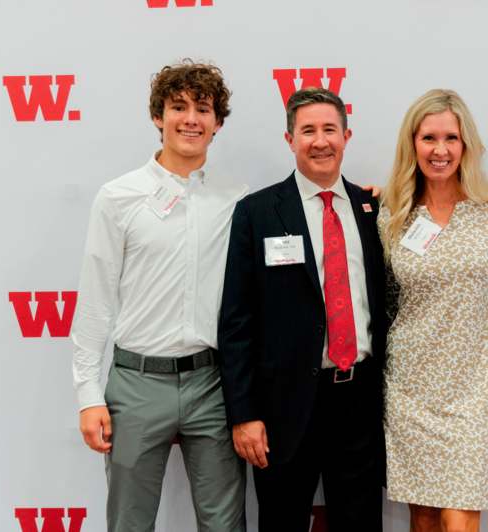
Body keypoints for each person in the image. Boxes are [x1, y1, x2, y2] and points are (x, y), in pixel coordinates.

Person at [71, 60, 247, 532]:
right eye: (178, 107)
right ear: (157, 116)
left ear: (218, 123)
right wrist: (88, 395)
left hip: (212, 385)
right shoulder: (118, 197)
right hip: (136, 383)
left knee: (224, 524)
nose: (191, 118)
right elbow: (95, 300)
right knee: (129, 523)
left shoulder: (239, 200)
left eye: (203, 108)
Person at [218, 87, 387, 532]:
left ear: (347, 137)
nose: (320, 140)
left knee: (361, 522)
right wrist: (244, 414)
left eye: (330, 129)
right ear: (289, 139)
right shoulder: (256, 214)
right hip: (282, 408)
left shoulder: (375, 211)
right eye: (307, 130)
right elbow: (236, 323)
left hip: (359, 400)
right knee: (281, 522)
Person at [377, 89, 488, 532]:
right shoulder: (391, 214)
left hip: (472, 388)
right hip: (410, 387)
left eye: (451, 138)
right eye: (429, 138)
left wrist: (481, 320)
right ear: (411, 143)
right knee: (425, 516)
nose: (440, 150)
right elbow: (387, 299)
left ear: (466, 144)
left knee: (460, 516)